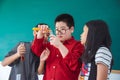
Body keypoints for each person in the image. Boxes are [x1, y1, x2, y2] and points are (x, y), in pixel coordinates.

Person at [31, 13, 84, 80]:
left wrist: (60, 45)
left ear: (71, 29)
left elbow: (75, 65)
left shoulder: (78, 45)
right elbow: (37, 51)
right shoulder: (51, 44)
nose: (58, 32)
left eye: (62, 29)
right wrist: (40, 36)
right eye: (56, 29)